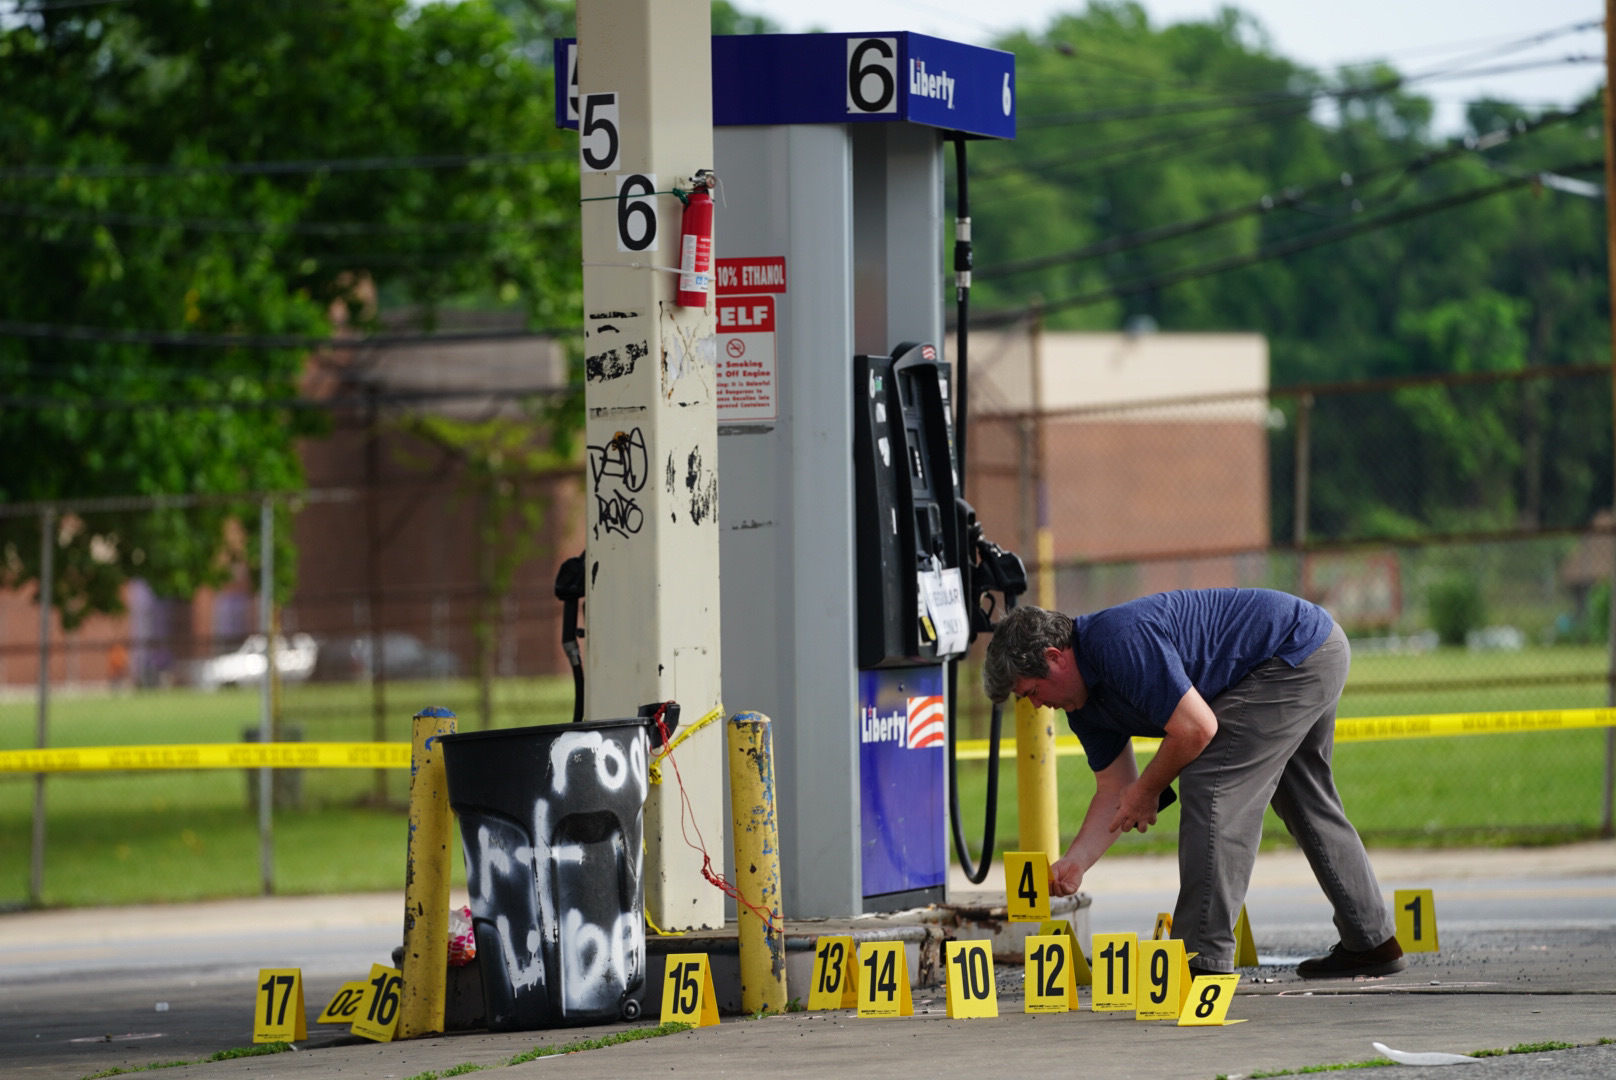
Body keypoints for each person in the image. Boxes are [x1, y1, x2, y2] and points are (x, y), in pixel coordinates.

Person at [982, 588, 1405, 979]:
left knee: (1210, 781)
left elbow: (1196, 729)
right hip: (1313, 646)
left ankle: (1201, 959)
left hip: (1293, 651)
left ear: (1055, 656)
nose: (1036, 705)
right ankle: (1372, 942)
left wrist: (1148, 790)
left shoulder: (1115, 641)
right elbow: (1116, 789)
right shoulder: (1084, 709)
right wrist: (1075, 863)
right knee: (1304, 800)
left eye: (1031, 691)